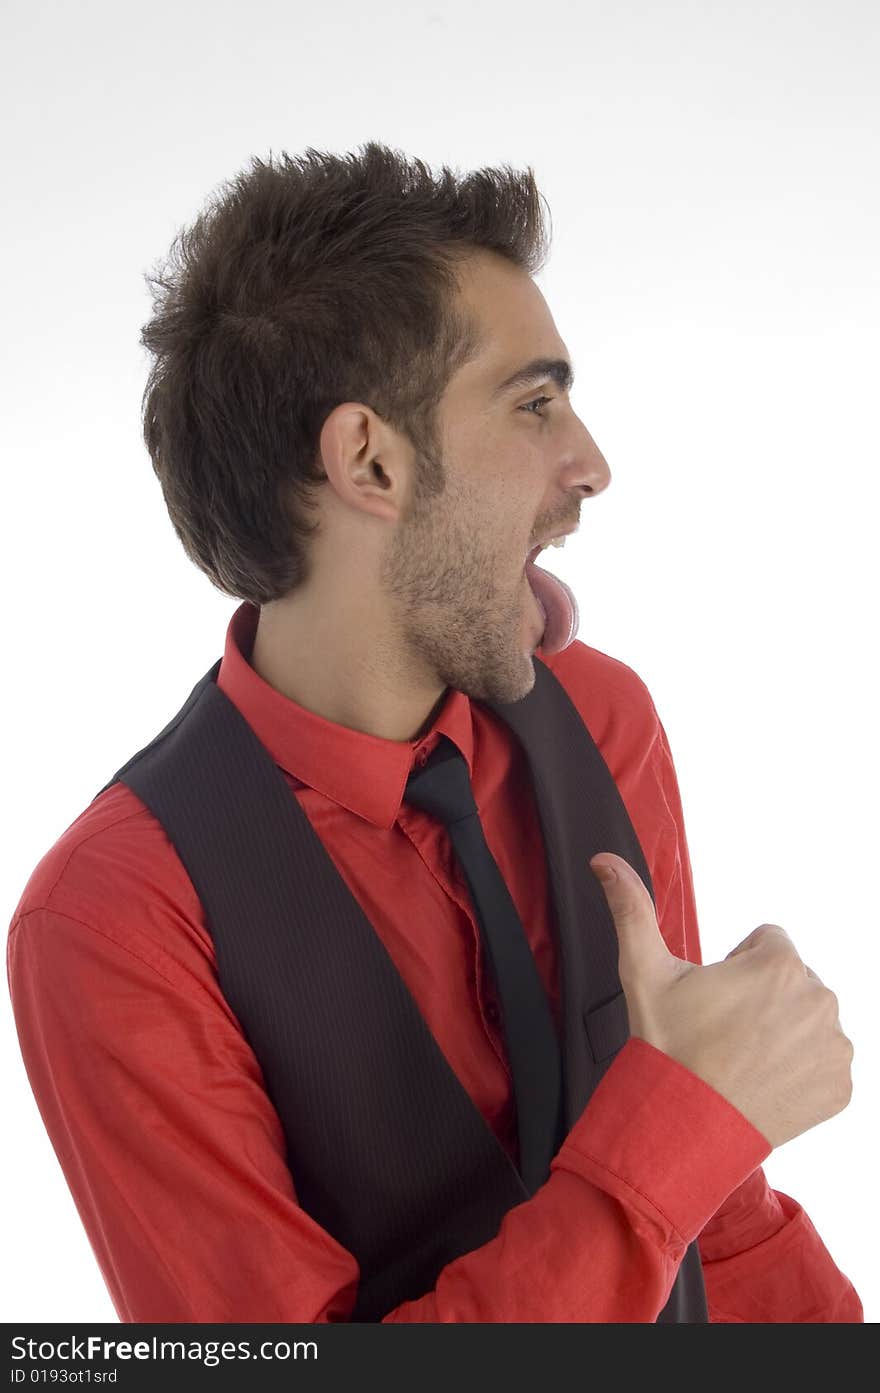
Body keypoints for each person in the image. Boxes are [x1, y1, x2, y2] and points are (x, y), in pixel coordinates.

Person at [6, 141, 862, 1323]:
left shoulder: (604, 717)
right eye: (535, 401)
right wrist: (682, 1130)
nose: (591, 464)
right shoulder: (114, 919)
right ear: (370, 459)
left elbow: (723, 1214)